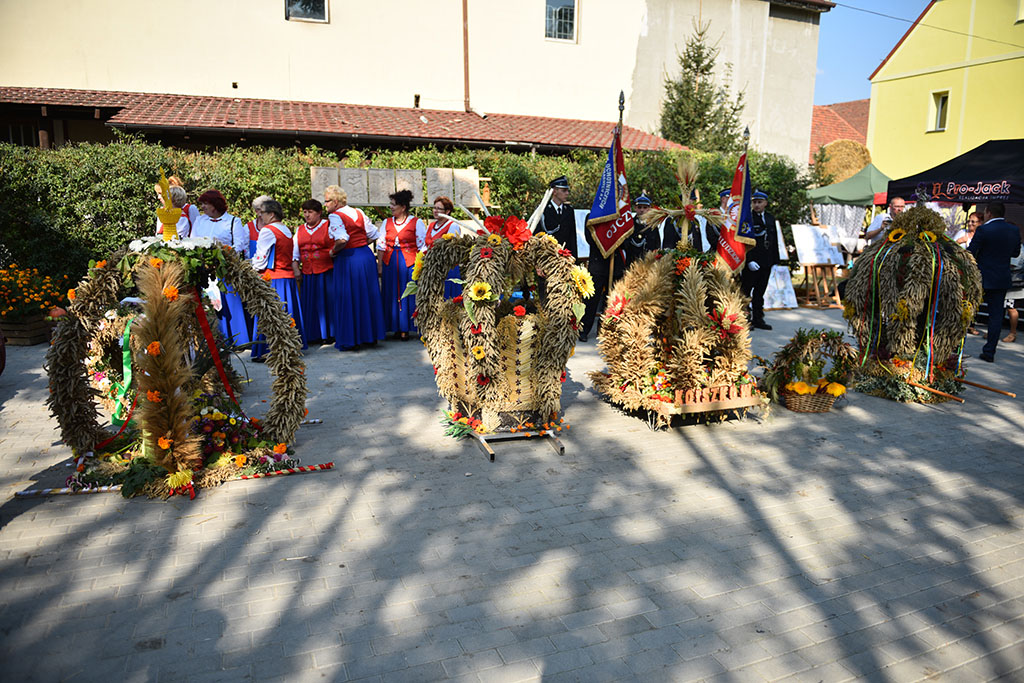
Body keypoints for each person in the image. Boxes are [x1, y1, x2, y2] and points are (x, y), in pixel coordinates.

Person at [324, 185, 385, 351]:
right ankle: (370, 336)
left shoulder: (335, 216)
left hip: (348, 259)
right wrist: (360, 245)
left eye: (327, 201)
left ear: (335, 202)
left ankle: (351, 339)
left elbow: (342, 239)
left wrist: (332, 252)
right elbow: (374, 234)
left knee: (348, 297)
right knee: (366, 296)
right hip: (365, 257)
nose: (325, 204)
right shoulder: (358, 212)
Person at [192, 189, 251, 346]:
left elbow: (239, 244)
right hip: (205, 270)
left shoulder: (233, 221)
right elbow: (192, 241)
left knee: (231, 303)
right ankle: (216, 340)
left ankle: (238, 340)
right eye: (202, 203)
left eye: (206, 203)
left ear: (215, 205)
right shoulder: (199, 221)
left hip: (226, 269)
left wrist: (224, 254)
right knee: (211, 304)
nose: (203, 207)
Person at [249, 198, 306, 361]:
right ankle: (289, 347)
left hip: (273, 278)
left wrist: (250, 267)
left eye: (263, 213)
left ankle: (270, 350)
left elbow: (260, 259)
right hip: (287, 278)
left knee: (271, 315)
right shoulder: (286, 229)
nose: (260, 216)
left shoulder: (267, 231)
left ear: (272, 214)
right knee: (287, 314)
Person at [968, 202, 1022, 362]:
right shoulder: (1013, 230)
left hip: (982, 276)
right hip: (1001, 277)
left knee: (968, 310)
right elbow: (1016, 252)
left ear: (989, 213)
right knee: (996, 316)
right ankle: (990, 352)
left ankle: (956, 347)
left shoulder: (984, 230)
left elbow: (971, 252)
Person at [378, 189, 426, 340]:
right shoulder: (386, 222)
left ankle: (406, 327)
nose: (391, 207)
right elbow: (381, 244)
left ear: (403, 207)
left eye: (394, 205)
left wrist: (421, 266)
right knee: (391, 293)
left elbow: (422, 246)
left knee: (408, 293)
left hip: (409, 262)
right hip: (390, 262)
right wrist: (380, 266)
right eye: (391, 204)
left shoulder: (416, 222)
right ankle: (393, 326)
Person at [295, 199, 334, 344]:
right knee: (310, 303)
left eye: (310, 212)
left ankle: (328, 334)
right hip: (307, 271)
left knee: (327, 302)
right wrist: (296, 269)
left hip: (326, 271)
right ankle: (313, 335)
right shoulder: (300, 229)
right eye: (305, 212)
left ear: (319, 213)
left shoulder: (328, 225)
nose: (307, 215)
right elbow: (295, 251)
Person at [740, 189, 780, 330]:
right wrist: (749, 260)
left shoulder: (769, 218)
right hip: (753, 261)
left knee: (760, 292)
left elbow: (774, 239)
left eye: (759, 202)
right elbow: (745, 241)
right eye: (754, 202)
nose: (756, 205)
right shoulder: (748, 218)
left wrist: (775, 260)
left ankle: (758, 319)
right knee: (746, 290)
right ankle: (745, 318)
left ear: (765, 203)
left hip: (766, 260)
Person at [425, 195, 462, 299]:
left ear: (447, 211)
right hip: (432, 267)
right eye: (434, 208)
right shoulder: (431, 225)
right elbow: (425, 245)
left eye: (439, 209)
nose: (435, 211)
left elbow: (449, 249)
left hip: (447, 269)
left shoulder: (453, 226)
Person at [538, 176, 578, 258]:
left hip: (565, 256)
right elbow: (538, 234)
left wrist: (574, 258)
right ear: (554, 192)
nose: (567, 193)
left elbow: (572, 237)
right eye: (563, 191)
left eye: (567, 191)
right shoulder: (544, 209)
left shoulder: (569, 210)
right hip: (548, 256)